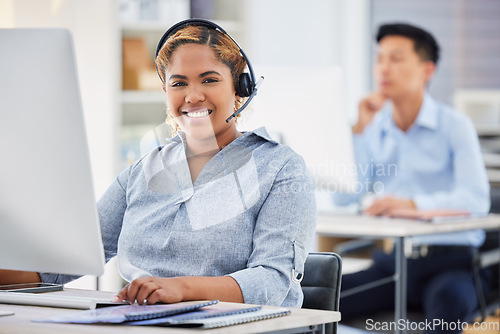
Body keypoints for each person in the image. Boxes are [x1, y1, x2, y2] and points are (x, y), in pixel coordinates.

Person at [0, 19, 316, 308]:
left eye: (209, 80)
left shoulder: (280, 166)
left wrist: (180, 288)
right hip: (145, 323)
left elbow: (272, 281)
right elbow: (59, 265)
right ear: (165, 92)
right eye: (179, 84)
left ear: (239, 89)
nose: (193, 96)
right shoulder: (142, 171)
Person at [335, 23, 491, 332]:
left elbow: (476, 200)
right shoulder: (376, 127)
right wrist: (358, 131)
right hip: (394, 263)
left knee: (447, 306)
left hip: (451, 263)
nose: (384, 68)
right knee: (320, 300)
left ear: (426, 70)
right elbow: (345, 195)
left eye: (396, 58)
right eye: (380, 59)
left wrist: (409, 203)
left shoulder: (454, 125)